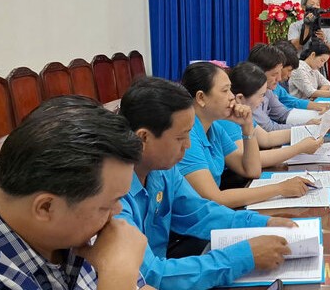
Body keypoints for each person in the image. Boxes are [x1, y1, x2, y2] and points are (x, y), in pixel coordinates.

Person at [117, 77, 297, 289]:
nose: (188, 145)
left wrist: (262, 223)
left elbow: (201, 213)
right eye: (180, 137)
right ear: (143, 138)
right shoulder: (112, 194)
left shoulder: (163, 171)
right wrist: (243, 257)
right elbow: (150, 275)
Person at [0, 96, 149, 289]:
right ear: (46, 207)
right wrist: (118, 273)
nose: (117, 211)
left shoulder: (74, 219)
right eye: (107, 205)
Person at [176, 62, 315, 208]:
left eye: (230, 90)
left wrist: (247, 127)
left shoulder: (214, 128)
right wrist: (280, 189)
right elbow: (215, 198)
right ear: (201, 98)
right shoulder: (187, 136)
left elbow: (252, 170)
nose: (232, 97)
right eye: (225, 91)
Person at [225, 61, 324, 168]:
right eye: (261, 95)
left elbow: (267, 138)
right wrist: (299, 148)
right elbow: (251, 162)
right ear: (240, 98)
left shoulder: (242, 114)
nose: (263, 100)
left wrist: (308, 129)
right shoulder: (227, 120)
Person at [249, 44, 318, 131]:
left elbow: (283, 114)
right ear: (259, 72)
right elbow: (269, 129)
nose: (279, 78)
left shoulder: (268, 90)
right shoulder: (249, 96)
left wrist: (308, 124)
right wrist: (305, 127)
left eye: (279, 73)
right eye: (274, 74)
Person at [273, 40, 330, 114]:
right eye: (322, 61)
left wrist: (327, 105)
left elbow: (292, 101)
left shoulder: (278, 86)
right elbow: (310, 93)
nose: (290, 75)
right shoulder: (299, 69)